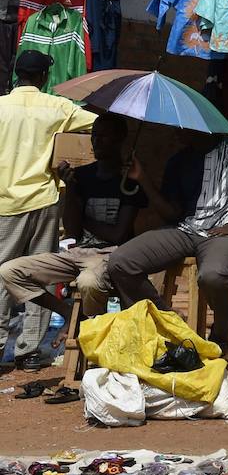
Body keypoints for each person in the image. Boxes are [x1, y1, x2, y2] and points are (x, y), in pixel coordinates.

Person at [105, 130, 228, 349]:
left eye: (183, 130)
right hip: (185, 230)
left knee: (213, 275)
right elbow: (172, 213)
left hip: (226, 233)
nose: (177, 134)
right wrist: (143, 179)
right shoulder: (180, 159)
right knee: (121, 262)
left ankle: (221, 334)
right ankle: (168, 324)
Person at [0, 50, 97, 371]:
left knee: (2, 276)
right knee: (38, 273)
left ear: (18, 75)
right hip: (44, 200)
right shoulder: (57, 107)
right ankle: (29, 350)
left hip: (4, 203)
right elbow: (97, 124)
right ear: (43, 77)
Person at [0, 114, 146, 327]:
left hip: (111, 255)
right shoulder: (82, 176)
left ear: (120, 138)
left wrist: (84, 219)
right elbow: (72, 231)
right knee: (10, 271)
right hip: (78, 253)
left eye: (103, 136)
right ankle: (72, 316)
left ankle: (94, 333)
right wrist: (71, 189)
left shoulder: (129, 181)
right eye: (94, 135)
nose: (96, 141)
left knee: (88, 282)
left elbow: (118, 235)